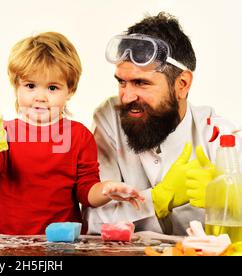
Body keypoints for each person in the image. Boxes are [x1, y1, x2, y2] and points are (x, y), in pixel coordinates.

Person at [0, 32, 144, 235]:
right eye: (30, 86)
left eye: (52, 88)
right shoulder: (5, 130)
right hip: (11, 240)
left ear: (70, 90)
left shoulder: (79, 135)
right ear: (16, 86)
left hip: (63, 241)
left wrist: (106, 190)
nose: (40, 97)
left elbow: (86, 192)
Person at [83, 12, 242, 235]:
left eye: (141, 83)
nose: (127, 96)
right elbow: (92, 221)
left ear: (182, 84)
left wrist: (226, 199)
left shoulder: (219, 136)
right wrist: (157, 198)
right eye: (122, 82)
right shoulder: (110, 117)